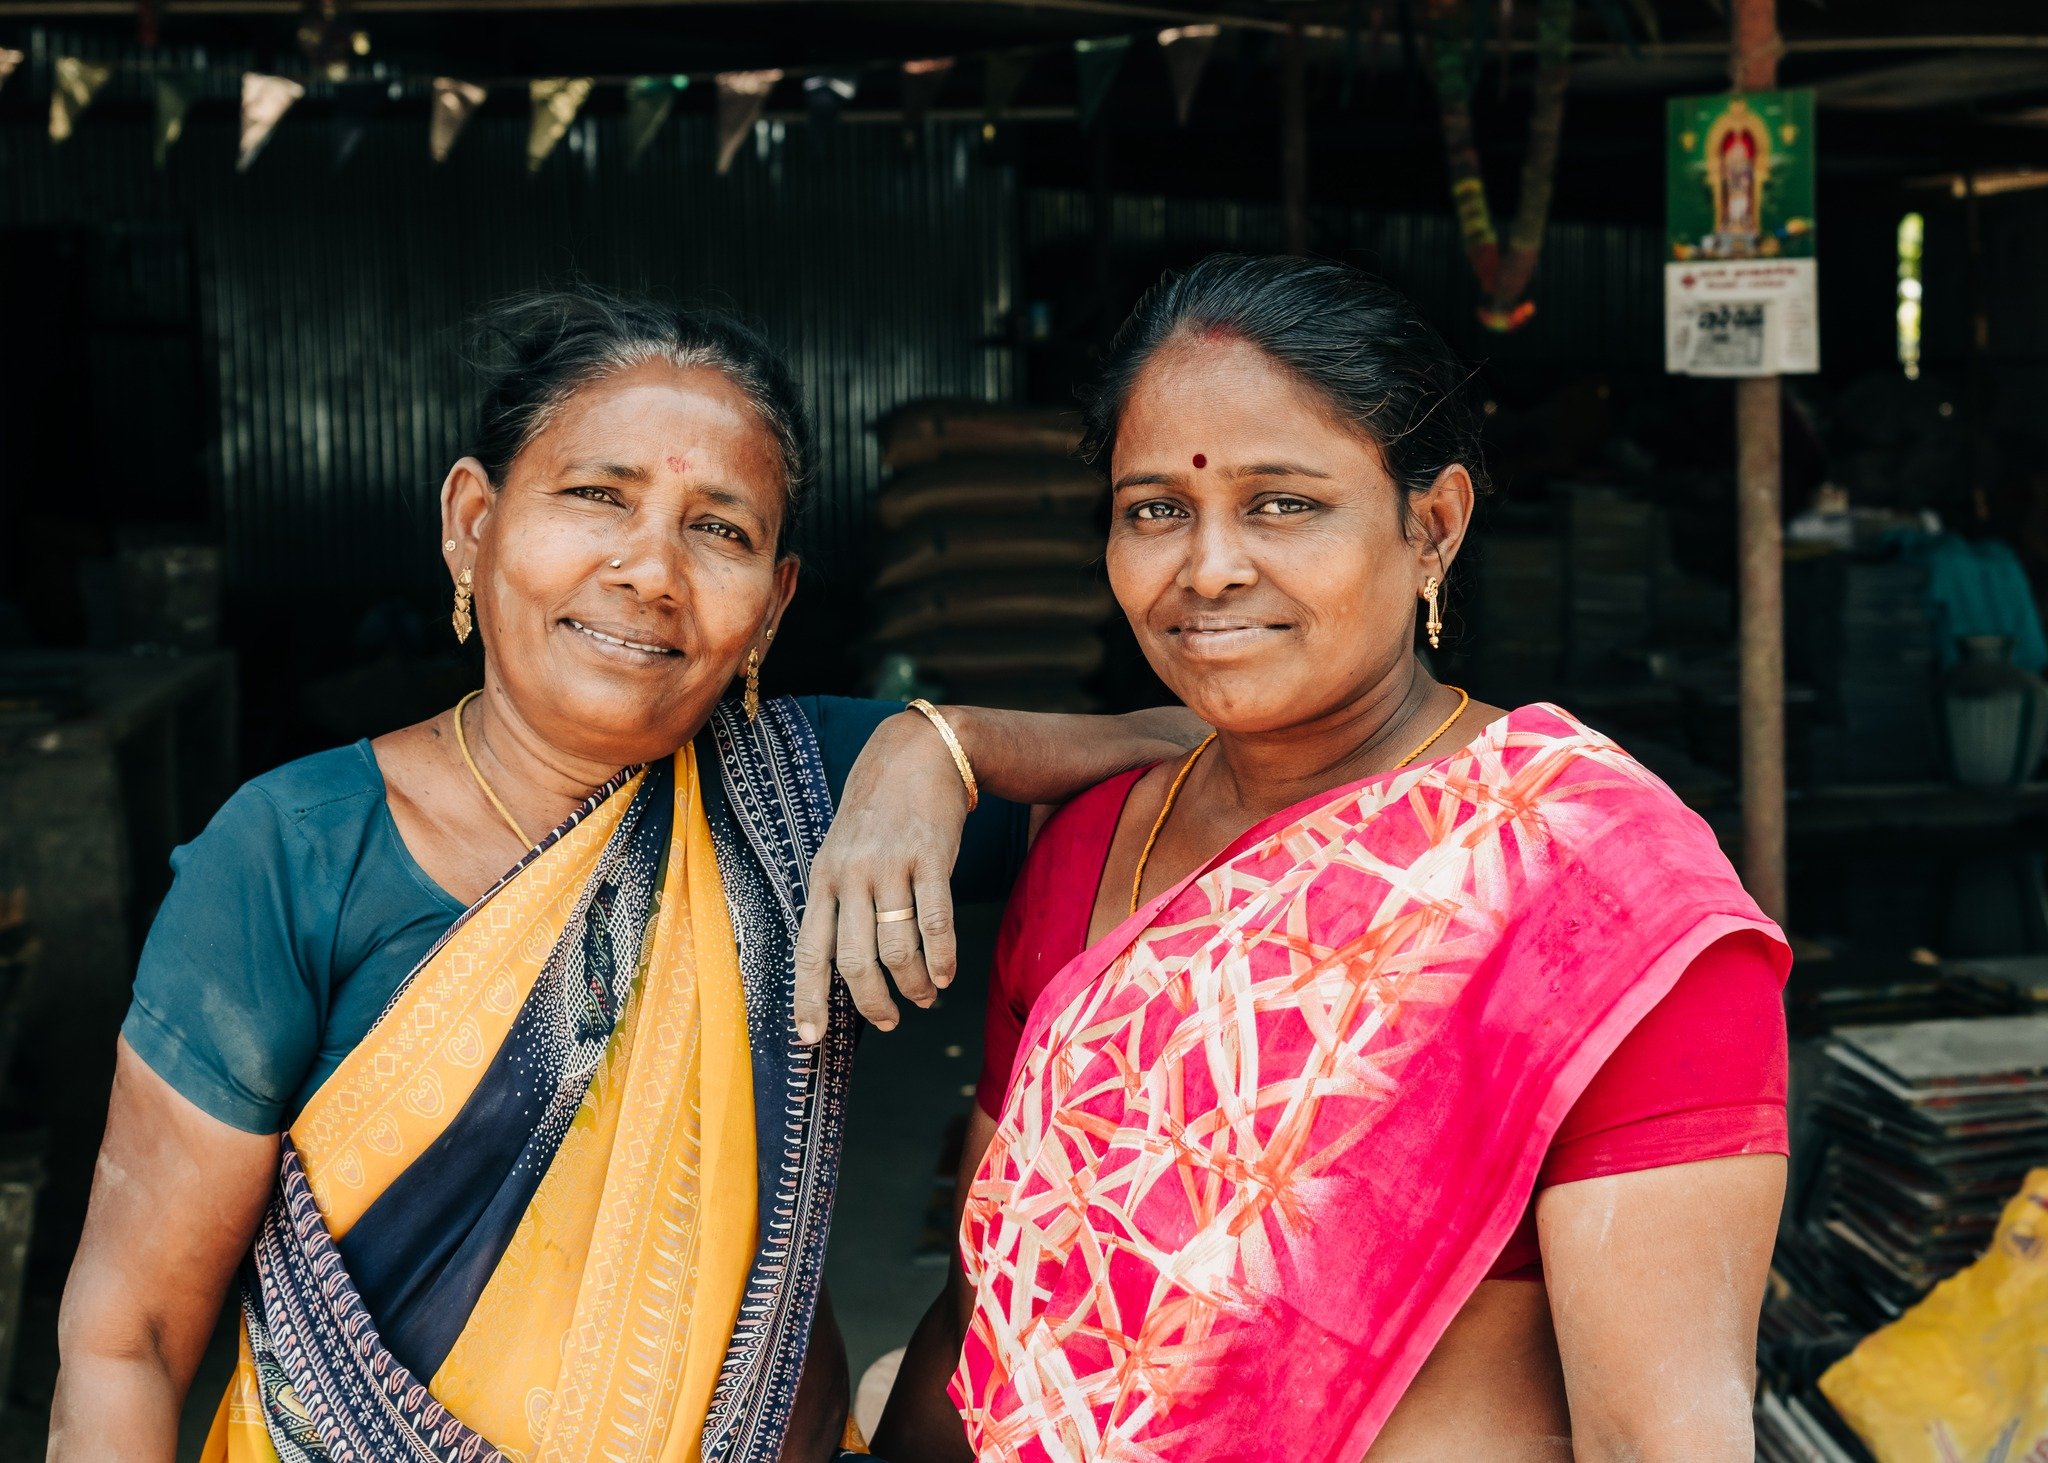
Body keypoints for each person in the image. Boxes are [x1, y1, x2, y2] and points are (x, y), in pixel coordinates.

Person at [49, 288, 1200, 1463]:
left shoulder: (816, 788)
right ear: (470, 520)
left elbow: (1205, 756)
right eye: (596, 495)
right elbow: (126, 1334)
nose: (651, 569)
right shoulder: (297, 850)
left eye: (721, 529)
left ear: (773, 606)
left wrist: (937, 743)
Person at [877, 255, 1790, 1463]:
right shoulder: (1093, 848)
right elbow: (982, 1320)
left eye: (1281, 504)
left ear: (1434, 524)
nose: (1207, 568)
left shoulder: (1592, 892)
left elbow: (1659, 1438)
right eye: (1155, 508)